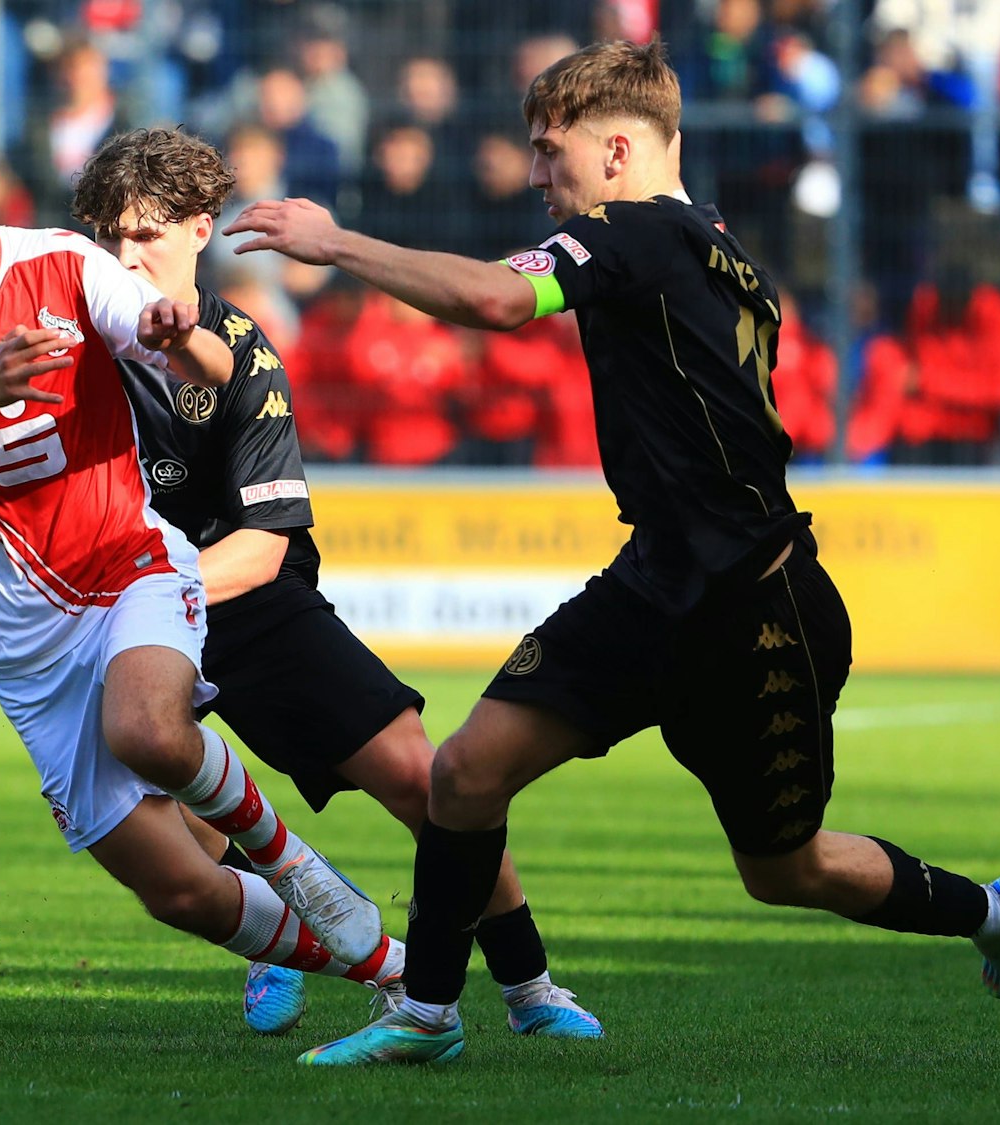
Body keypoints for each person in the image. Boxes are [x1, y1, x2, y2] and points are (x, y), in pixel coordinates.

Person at [226, 38, 1000, 1067]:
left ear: (615, 150)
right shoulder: (712, 248)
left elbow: (493, 301)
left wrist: (335, 241)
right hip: (656, 581)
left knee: (783, 870)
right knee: (464, 775)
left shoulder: (637, 234)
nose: (534, 176)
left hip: (754, 607)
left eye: (546, 151)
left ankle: (993, 914)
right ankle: (427, 1013)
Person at [0, 75, 396, 994]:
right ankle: (386, 966)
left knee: (149, 730)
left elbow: (206, 362)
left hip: (130, 563)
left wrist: (182, 335)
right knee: (183, 894)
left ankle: (294, 863)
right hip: (21, 639)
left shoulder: (63, 263)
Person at [69, 126, 601, 1040]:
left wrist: (147, 588)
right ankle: (290, 928)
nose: (125, 256)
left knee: (424, 779)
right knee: (171, 817)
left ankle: (530, 985)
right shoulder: (71, 344)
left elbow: (264, 547)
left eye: (146, 233)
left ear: (201, 229)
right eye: (109, 238)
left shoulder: (241, 348)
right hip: (114, 609)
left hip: (241, 593)